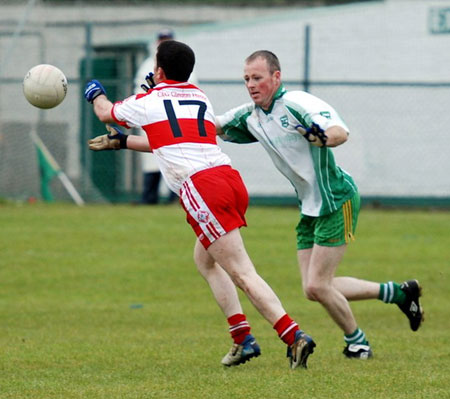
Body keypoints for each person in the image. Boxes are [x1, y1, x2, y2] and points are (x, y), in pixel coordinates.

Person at [83, 40, 316, 369]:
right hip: (229, 180)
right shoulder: (199, 96)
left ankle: (294, 337)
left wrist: (95, 92)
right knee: (205, 261)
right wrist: (123, 141)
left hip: (202, 188)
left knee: (242, 272)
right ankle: (242, 339)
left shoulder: (149, 99)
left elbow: (107, 113)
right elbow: (172, 140)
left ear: (159, 70)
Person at [214, 50, 424, 359]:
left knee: (318, 285)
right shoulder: (252, 116)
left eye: (257, 77)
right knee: (314, 287)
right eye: (246, 79)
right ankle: (399, 292)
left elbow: (340, 132)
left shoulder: (299, 104)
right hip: (309, 206)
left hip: (336, 199)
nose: (251, 84)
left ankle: (358, 343)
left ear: (276, 77)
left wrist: (322, 137)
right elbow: (212, 125)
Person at [134, 28, 178, 204]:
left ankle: (176, 199)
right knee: (152, 161)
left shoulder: (183, 65)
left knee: (176, 162)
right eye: (162, 40)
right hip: (152, 121)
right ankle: (149, 198)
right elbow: (139, 96)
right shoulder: (147, 67)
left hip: (176, 123)